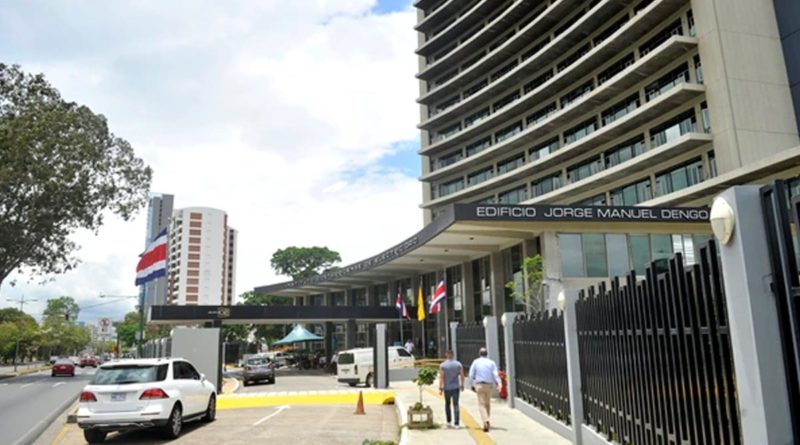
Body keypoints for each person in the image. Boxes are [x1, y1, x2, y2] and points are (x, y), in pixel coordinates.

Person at [468, 347, 501, 432]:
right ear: (487, 354)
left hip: (479, 385)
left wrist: (471, 384)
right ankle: (487, 420)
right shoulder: (491, 363)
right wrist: (499, 384)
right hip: (489, 385)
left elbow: (471, 374)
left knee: (481, 404)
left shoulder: (476, 362)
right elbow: (495, 374)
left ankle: (485, 420)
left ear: (479, 354)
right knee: (487, 404)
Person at [438, 351, 464, 428]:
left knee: (447, 404)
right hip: (456, 387)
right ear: (453, 355)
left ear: (446, 355)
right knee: (456, 404)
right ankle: (457, 423)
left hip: (447, 388)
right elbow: (462, 375)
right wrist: (462, 384)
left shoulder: (443, 365)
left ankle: (448, 421)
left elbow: (442, 377)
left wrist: (440, 387)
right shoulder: (458, 364)